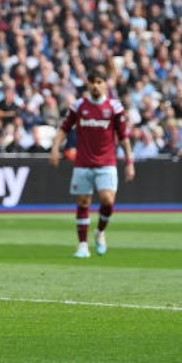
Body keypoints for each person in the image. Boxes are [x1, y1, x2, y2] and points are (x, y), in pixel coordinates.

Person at [49, 68, 134, 258]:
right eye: (92, 82)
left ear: (105, 84)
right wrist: (55, 148)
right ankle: (82, 245)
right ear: (87, 84)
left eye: (99, 82)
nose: (95, 86)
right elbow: (63, 129)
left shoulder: (114, 107)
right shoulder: (79, 106)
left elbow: (124, 137)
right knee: (83, 201)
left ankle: (100, 231)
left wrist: (129, 161)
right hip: (83, 162)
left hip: (106, 162)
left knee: (107, 200)